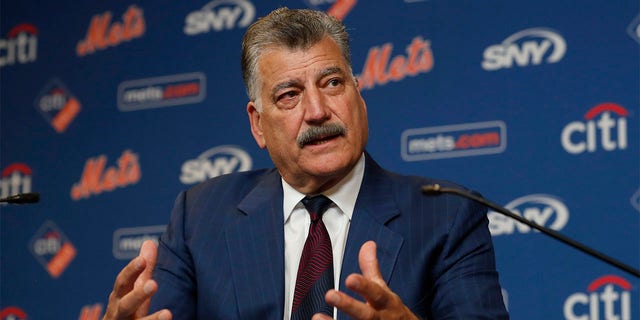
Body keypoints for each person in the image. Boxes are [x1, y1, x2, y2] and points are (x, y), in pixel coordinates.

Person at [103, 7, 509, 320]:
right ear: (258, 125)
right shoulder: (200, 217)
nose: (317, 111)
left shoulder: (447, 217)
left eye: (332, 83)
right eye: (289, 95)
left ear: (359, 98)